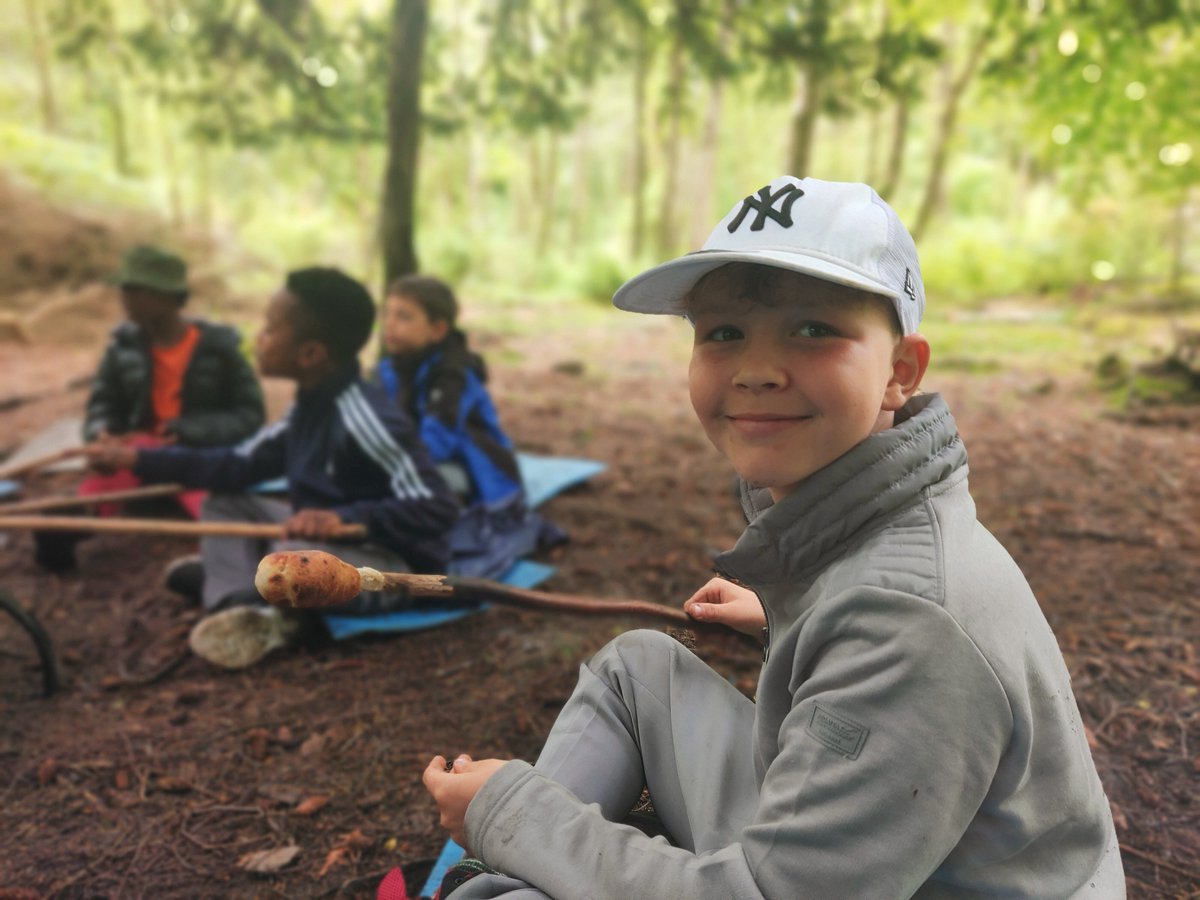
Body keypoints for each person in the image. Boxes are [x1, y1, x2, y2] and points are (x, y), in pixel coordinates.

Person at [412, 177, 1125, 898]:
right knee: (636, 670)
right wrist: (795, 612)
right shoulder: (873, 536)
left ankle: (493, 878)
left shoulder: (908, 623)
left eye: (813, 330)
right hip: (877, 864)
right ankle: (497, 874)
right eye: (723, 333)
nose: (756, 370)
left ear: (899, 373)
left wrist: (511, 813)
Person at [84, 266, 459, 669]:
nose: (258, 338)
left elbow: (438, 506)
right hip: (317, 546)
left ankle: (279, 613)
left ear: (311, 353)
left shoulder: (366, 417)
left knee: (292, 562)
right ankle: (235, 601)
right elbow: (237, 464)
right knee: (225, 502)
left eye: (270, 328)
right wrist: (139, 459)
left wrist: (345, 516)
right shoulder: (307, 407)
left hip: (387, 562)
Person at [33, 244, 265, 572]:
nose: (125, 297)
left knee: (215, 504)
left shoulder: (219, 349)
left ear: (169, 297)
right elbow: (104, 403)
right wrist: (103, 433)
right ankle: (66, 527)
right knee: (99, 486)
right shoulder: (122, 347)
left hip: (195, 456)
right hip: (137, 452)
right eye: (125, 289)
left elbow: (249, 416)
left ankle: (222, 557)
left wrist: (189, 430)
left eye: (135, 290)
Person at [375, 275, 561, 579]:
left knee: (421, 496)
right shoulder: (388, 369)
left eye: (404, 317)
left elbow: (436, 443)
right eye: (388, 314)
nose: (390, 324)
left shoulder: (453, 376)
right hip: (415, 460)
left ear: (437, 330)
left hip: (475, 472)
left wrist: (385, 465)